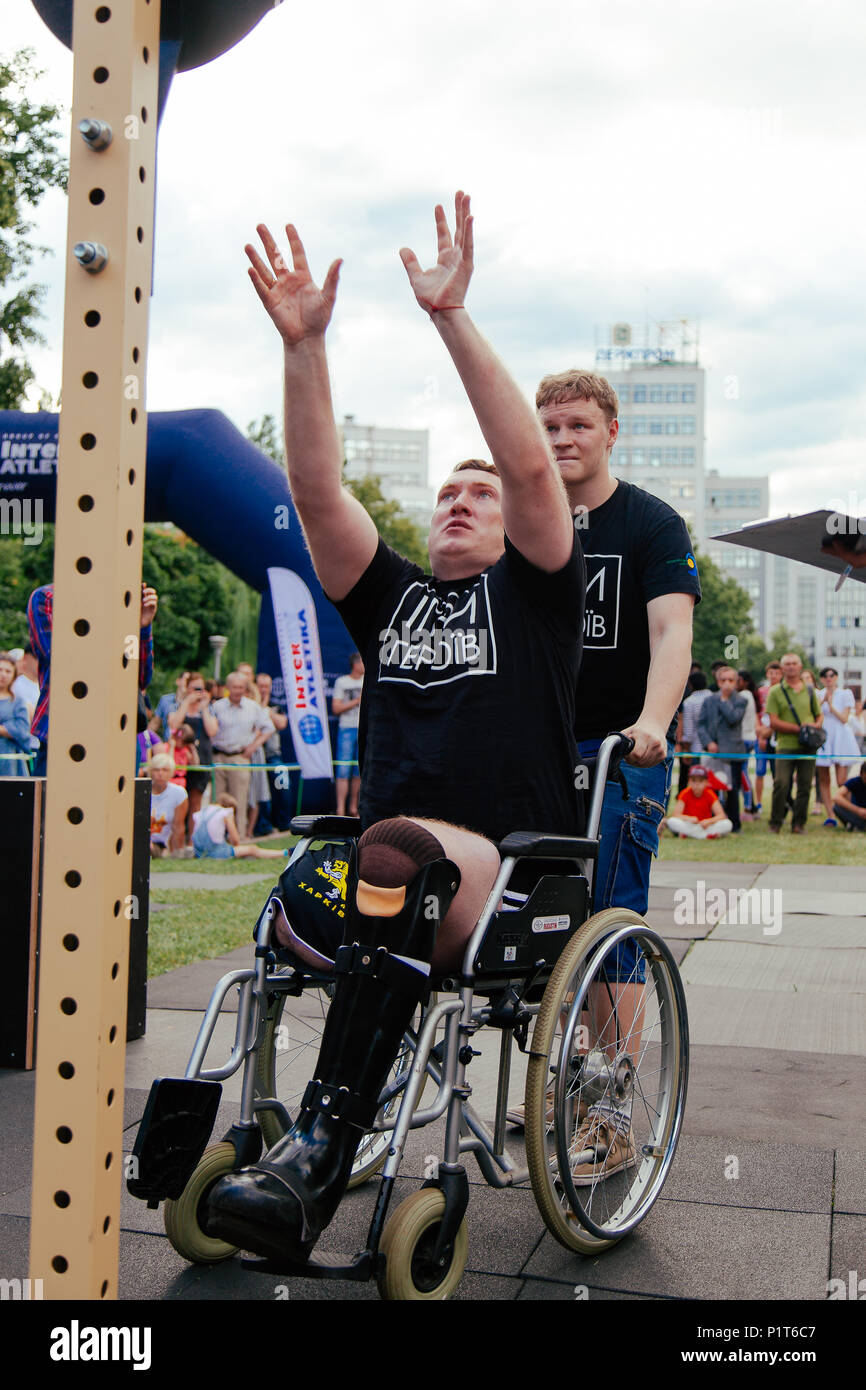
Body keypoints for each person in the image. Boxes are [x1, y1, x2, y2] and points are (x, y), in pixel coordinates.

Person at [205, 193, 585, 1263]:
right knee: (320, 876)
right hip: (391, 860)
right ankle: (232, 1139)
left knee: (392, 852)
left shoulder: (537, 593)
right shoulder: (393, 598)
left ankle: (318, 1155)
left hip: (509, 867)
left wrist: (449, 317)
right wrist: (305, 345)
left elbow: (525, 466)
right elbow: (315, 487)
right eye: (447, 493)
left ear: (516, 517)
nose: (462, 500)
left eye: (481, 492)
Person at [513, 367, 700, 1143]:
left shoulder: (650, 524)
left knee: (610, 926)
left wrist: (653, 720)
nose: (562, 439)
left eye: (578, 425)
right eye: (550, 427)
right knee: (537, 924)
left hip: (620, 751)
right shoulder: (526, 521)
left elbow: (671, 633)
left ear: (611, 431)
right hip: (537, 752)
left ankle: (611, 1109)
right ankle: (561, 1082)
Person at [28, 583, 157, 778]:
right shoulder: (48, 597)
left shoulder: (124, 601)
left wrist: (140, 627)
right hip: (68, 727)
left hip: (118, 731)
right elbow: (62, 661)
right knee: (51, 806)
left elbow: (139, 678)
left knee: (118, 808)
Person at [210, 671, 275, 838]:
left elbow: (269, 728)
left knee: (240, 799)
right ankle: (216, 837)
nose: (238, 690)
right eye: (234, 687)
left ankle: (239, 836)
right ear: (227, 688)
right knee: (217, 799)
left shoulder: (252, 707)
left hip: (240, 757)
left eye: (241, 687)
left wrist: (253, 747)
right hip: (219, 756)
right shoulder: (218, 706)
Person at [765, 653, 823, 834]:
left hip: (808, 745)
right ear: (782, 668)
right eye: (787, 664)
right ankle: (776, 821)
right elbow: (773, 721)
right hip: (785, 744)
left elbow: (819, 714)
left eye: (794, 663)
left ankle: (799, 824)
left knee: (805, 785)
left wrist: (815, 726)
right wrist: (799, 729)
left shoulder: (809, 690)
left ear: (800, 667)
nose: (791, 667)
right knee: (781, 783)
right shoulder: (775, 691)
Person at [697, 667, 746, 832]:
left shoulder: (740, 700)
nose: (727, 684)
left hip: (733, 753)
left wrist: (725, 700)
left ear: (736, 682)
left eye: (730, 680)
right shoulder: (709, 700)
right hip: (713, 753)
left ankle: (734, 823)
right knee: (712, 788)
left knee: (732, 790)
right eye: (723, 680)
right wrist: (708, 742)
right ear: (718, 682)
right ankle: (712, 820)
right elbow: (701, 724)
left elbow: (733, 718)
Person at [168, 671, 218, 836]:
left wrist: (204, 709)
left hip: (201, 757)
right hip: (180, 760)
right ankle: (177, 840)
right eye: (194, 688)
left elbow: (212, 731)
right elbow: (174, 724)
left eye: (201, 688)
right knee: (177, 802)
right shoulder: (176, 705)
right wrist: (186, 702)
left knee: (195, 801)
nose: (198, 692)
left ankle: (192, 840)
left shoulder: (209, 708)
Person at [815, 667, 861, 826]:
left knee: (842, 780)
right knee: (824, 779)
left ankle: (850, 813)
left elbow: (844, 718)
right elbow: (815, 715)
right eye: (825, 676)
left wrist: (830, 704)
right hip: (824, 737)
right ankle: (831, 815)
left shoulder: (845, 693)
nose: (828, 678)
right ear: (821, 679)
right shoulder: (818, 694)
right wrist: (822, 702)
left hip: (840, 737)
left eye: (831, 675)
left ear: (836, 677)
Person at [192, 793, 288, 859]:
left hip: (199, 852)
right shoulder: (226, 812)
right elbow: (235, 840)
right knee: (252, 849)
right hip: (214, 852)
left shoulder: (201, 812)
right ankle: (284, 853)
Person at [254, 670, 291, 832]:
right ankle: (263, 825)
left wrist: (265, 711)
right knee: (260, 792)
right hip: (256, 755)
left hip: (273, 755)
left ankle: (283, 822)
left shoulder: (276, 706)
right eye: (260, 686)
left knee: (282, 787)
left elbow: (282, 723)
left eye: (266, 686)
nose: (263, 689)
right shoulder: (250, 705)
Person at [331, 652, 364, 815]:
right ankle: (340, 809)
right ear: (356, 664)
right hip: (346, 729)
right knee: (343, 770)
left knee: (359, 770)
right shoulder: (342, 682)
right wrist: (355, 702)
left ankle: (353, 807)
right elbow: (336, 709)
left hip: (364, 729)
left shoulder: (368, 680)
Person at [665, 764, 733, 839]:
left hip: (705, 826)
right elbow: (676, 814)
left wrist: (709, 821)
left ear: (706, 782)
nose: (697, 784)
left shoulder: (710, 794)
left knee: (727, 824)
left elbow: (721, 815)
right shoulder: (684, 793)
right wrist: (689, 819)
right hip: (690, 825)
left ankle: (691, 835)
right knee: (672, 821)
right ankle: (705, 836)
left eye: (700, 781)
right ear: (689, 782)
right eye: (694, 781)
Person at [146, 752, 189, 857]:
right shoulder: (143, 791)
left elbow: (178, 826)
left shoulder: (179, 794)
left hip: (161, 844)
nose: (160, 773)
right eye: (157, 770)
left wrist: (178, 852)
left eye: (165, 770)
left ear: (171, 772)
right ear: (151, 772)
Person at [754, 660, 782, 814]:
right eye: (771, 673)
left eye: (777, 673)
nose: (774, 676)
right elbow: (757, 714)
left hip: (776, 734)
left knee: (777, 773)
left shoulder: (783, 691)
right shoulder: (761, 692)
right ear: (767, 674)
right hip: (762, 735)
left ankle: (778, 804)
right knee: (759, 771)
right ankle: (758, 803)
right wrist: (760, 734)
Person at [0, 652, 35, 776]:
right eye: (0, 670)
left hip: (11, 763)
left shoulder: (18, 701)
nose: (3, 675)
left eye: (8, 671)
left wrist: (3, 729)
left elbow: (22, 730)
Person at [677, 670, 711, 792]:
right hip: (715, 749)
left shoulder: (690, 702)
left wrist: (686, 750)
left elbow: (689, 731)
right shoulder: (714, 697)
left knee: (698, 787)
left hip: (696, 749)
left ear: (690, 684)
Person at [736, 669, 759, 815]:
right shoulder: (749, 695)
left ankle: (748, 805)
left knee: (742, 774)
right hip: (749, 737)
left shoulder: (743, 695)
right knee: (743, 773)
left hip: (744, 738)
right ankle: (750, 804)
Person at [154, 671, 189, 740]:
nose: (187, 683)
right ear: (178, 681)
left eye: (190, 681)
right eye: (186, 679)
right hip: (168, 743)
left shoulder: (193, 703)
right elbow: (155, 723)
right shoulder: (165, 700)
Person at [833, 762, 866, 830]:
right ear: (861, 774)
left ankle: (855, 826)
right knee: (837, 808)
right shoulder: (854, 781)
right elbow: (836, 797)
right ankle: (858, 826)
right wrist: (858, 810)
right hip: (857, 814)